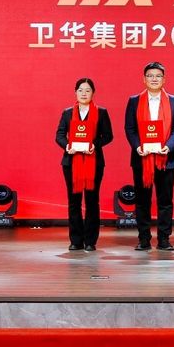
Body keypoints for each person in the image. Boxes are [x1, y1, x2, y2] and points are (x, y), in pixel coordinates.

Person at [124, 62, 174, 251]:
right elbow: (130, 128)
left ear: (164, 79)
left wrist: (168, 147)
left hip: (166, 159)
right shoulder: (134, 101)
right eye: (150, 76)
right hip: (141, 158)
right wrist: (138, 147)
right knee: (142, 201)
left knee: (165, 201)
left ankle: (164, 239)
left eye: (158, 76)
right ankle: (143, 239)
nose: (154, 79)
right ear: (144, 79)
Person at [55, 78, 114, 251]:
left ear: (93, 93)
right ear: (75, 92)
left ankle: (90, 241)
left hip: (94, 162)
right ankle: (75, 240)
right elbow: (59, 135)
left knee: (92, 201)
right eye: (80, 90)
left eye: (88, 90)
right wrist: (68, 146)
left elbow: (108, 136)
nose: (84, 93)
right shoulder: (67, 113)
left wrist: (94, 145)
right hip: (71, 162)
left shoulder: (101, 112)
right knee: (74, 201)